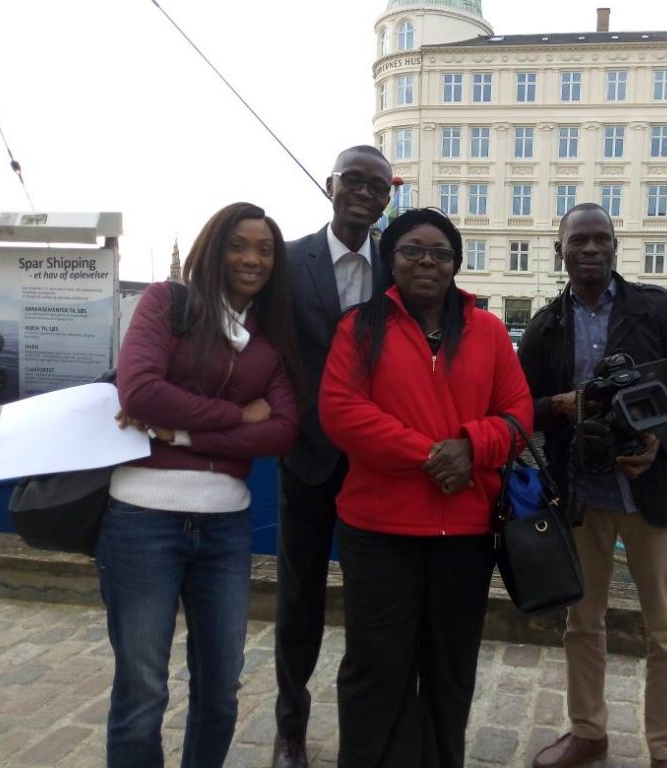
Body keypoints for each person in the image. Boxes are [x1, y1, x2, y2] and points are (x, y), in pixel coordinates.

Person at [320, 207, 533, 768]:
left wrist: (473, 446)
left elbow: (518, 416)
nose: (427, 262)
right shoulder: (358, 328)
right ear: (390, 260)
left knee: (450, 665)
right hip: (379, 530)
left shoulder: (487, 332)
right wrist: (434, 456)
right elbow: (342, 413)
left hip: (463, 533)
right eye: (412, 249)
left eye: (440, 253)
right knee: (376, 666)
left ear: (456, 265)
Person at [99, 202, 302, 768]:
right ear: (214, 248)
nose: (252, 258)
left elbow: (283, 431)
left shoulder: (270, 337)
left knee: (221, 689)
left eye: (265, 250)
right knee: (142, 691)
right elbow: (138, 392)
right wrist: (239, 417)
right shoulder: (168, 303)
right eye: (239, 244)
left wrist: (181, 435)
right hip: (141, 520)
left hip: (226, 527)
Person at [519, 203, 667, 768]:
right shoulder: (544, 326)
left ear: (615, 246)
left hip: (653, 489)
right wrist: (560, 406)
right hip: (581, 494)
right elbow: (517, 409)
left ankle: (666, 753)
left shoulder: (656, 309)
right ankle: (588, 732)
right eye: (578, 240)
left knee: (666, 630)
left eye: (600, 239)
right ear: (559, 249)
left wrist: (665, 439)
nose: (590, 249)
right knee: (582, 622)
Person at [273, 145, 394, 768]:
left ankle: (367, 730)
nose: (366, 194)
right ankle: (290, 728)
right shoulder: (289, 262)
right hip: (309, 459)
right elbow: (261, 346)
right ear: (330, 184)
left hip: (379, 462)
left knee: (375, 599)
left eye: (379, 186)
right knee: (300, 598)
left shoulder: (398, 265)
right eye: (355, 180)